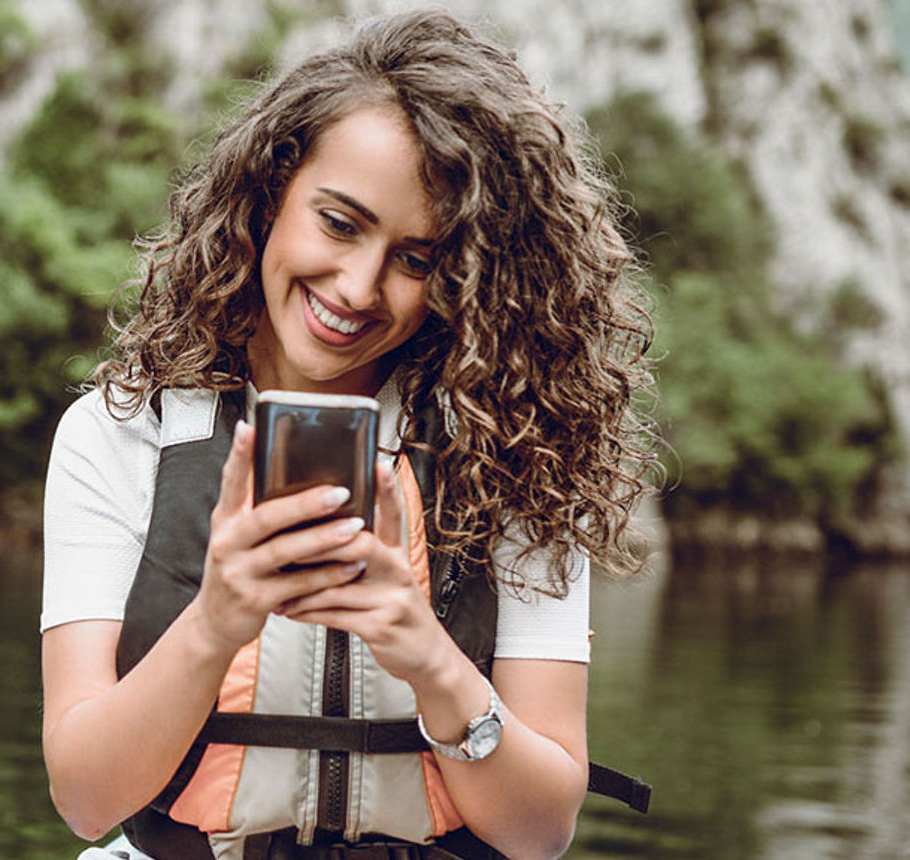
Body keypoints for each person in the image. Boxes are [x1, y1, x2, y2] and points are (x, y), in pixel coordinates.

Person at [40, 8, 654, 860]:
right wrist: (216, 621)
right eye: (339, 222)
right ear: (267, 199)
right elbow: (83, 795)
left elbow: (541, 833)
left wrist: (426, 654)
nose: (360, 288)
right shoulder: (118, 436)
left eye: (417, 258)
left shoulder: (520, 450)